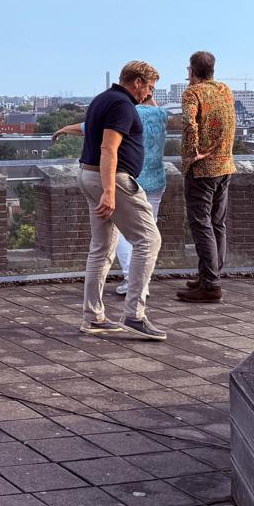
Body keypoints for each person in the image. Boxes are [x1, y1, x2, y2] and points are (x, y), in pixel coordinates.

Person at [63, 61, 167, 341]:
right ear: (137, 82)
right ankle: (134, 314)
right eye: (149, 87)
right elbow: (108, 148)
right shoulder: (122, 105)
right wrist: (109, 191)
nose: (149, 94)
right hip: (112, 179)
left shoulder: (102, 99)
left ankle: (93, 316)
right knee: (149, 240)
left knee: (102, 247)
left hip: (88, 174)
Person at [53, 92, 168, 296]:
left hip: (130, 180)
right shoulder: (161, 115)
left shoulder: (128, 111)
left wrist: (64, 129)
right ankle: (142, 283)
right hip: (156, 179)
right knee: (148, 231)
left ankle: (130, 280)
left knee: (123, 234)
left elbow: (90, 128)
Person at [177, 50, 237, 303]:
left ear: (191, 70)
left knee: (201, 224)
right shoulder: (225, 89)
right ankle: (210, 275)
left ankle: (211, 285)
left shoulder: (192, 93)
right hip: (225, 165)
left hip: (202, 170)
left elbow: (189, 124)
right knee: (217, 224)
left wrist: (192, 155)